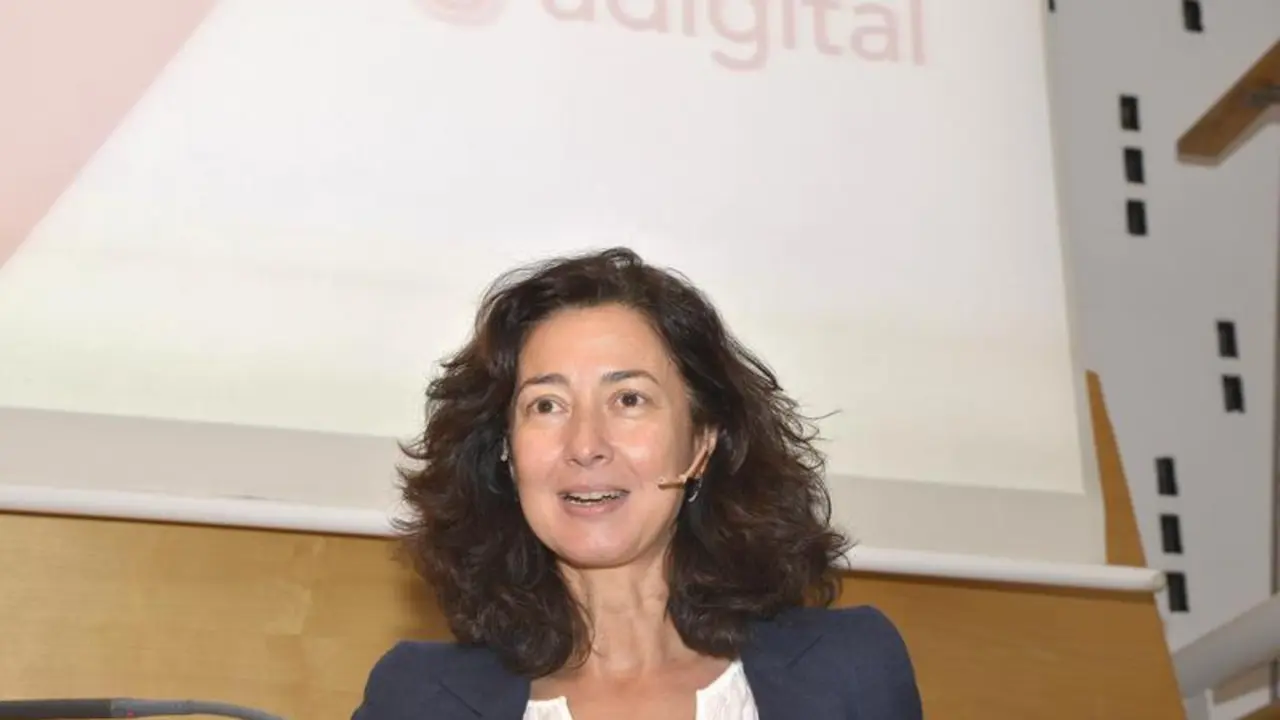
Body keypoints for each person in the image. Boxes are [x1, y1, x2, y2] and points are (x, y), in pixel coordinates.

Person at [352, 247, 923, 720]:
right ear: (506, 452)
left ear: (702, 441)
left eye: (629, 399)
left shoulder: (851, 670)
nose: (585, 444)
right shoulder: (414, 699)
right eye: (546, 405)